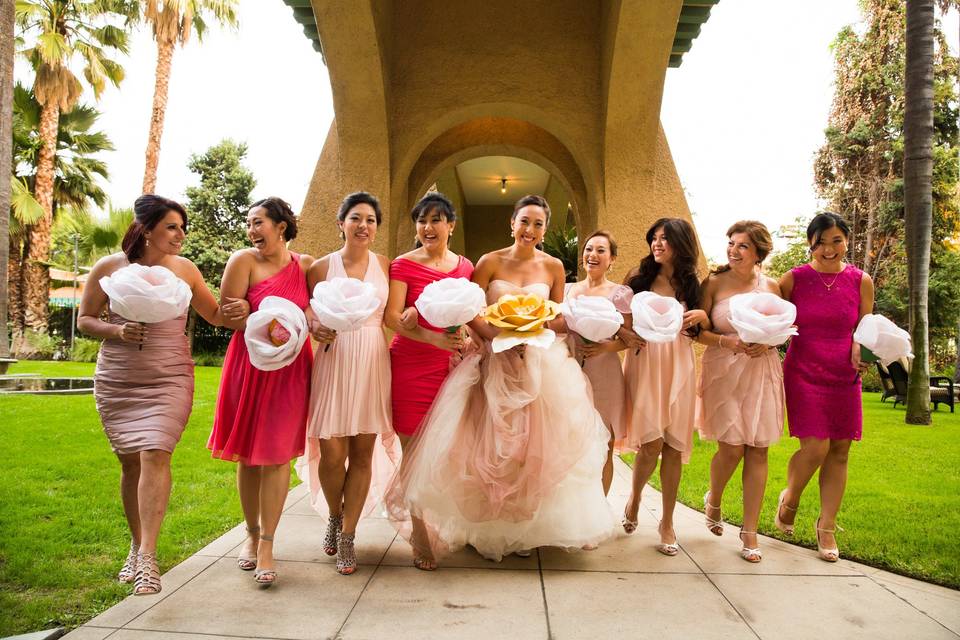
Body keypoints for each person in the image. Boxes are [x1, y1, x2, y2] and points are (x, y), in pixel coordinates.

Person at [385, 195, 616, 567]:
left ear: (545, 229)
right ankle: (487, 530)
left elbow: (558, 318)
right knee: (489, 449)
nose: (530, 230)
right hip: (493, 362)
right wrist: (498, 336)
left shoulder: (554, 266)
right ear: (512, 223)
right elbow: (471, 309)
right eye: (524, 221)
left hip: (537, 364)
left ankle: (524, 529)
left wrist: (531, 329)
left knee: (531, 451)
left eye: (538, 224)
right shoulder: (489, 262)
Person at [79, 194, 249, 595]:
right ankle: (135, 547)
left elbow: (215, 315)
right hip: (119, 377)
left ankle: (149, 559)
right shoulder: (109, 267)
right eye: (172, 226)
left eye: (181, 227)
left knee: (155, 452)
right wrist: (116, 331)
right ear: (147, 228)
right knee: (130, 465)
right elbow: (85, 320)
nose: (181, 234)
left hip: (170, 376)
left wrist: (246, 310)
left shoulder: (185, 270)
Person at [208, 197, 314, 587]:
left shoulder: (304, 266)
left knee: (278, 457)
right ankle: (251, 535)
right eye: (249, 224)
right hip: (250, 366)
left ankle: (268, 544)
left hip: (291, 371)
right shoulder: (242, 262)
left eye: (258, 223)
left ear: (281, 226)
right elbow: (226, 315)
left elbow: (314, 311)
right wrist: (260, 322)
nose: (252, 231)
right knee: (250, 457)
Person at [298, 192, 398, 575]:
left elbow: (391, 316)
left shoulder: (386, 266)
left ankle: (349, 536)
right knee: (332, 455)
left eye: (371, 220)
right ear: (341, 223)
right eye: (355, 218)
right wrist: (313, 322)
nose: (363, 226)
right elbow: (304, 306)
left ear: (376, 229)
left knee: (361, 455)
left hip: (372, 361)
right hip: (333, 362)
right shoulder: (320, 268)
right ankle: (334, 516)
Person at [775, 212, 873, 562]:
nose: (829, 248)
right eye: (821, 242)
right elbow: (770, 311)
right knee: (815, 447)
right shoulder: (793, 279)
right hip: (803, 370)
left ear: (847, 241)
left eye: (837, 240)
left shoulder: (862, 280)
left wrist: (862, 347)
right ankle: (791, 497)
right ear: (810, 244)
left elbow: (865, 328)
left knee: (841, 450)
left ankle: (827, 525)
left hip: (845, 374)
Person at [383, 191, 473, 570]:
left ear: (451, 226)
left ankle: (448, 523)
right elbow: (392, 317)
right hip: (409, 364)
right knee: (411, 449)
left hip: (449, 369)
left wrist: (464, 337)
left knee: (447, 451)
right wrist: (425, 332)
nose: (428, 227)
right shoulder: (403, 265)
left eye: (436, 219)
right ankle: (420, 534)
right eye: (422, 220)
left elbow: (469, 313)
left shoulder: (465, 268)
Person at [695, 221, 784, 563]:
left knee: (758, 449)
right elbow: (698, 332)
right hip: (724, 371)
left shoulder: (772, 287)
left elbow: (784, 328)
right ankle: (713, 499)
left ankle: (749, 532)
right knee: (731, 449)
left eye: (742, 245)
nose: (733, 250)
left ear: (759, 251)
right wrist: (728, 341)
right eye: (731, 243)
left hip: (761, 371)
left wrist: (770, 342)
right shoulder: (714, 283)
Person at [619, 218, 707, 556]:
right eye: (654, 238)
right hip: (647, 363)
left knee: (674, 445)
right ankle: (635, 497)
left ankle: (667, 521)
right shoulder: (638, 279)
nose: (657, 244)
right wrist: (627, 334)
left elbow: (707, 322)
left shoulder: (692, 284)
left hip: (679, 365)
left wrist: (700, 315)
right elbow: (619, 322)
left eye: (665, 239)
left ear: (680, 244)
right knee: (651, 444)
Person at [563, 230, 632, 495]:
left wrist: (605, 347)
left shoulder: (620, 293)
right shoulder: (568, 289)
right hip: (570, 370)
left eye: (601, 251)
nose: (593, 255)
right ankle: (576, 507)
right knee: (572, 441)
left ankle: (600, 509)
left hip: (605, 371)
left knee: (604, 442)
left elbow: (630, 337)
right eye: (589, 249)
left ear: (612, 258)